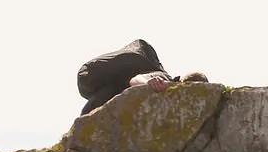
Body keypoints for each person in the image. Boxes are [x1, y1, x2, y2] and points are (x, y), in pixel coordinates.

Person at [77, 39, 207, 115]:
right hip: (94, 89)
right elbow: (136, 79)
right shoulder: (165, 79)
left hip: (95, 99)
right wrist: (149, 83)